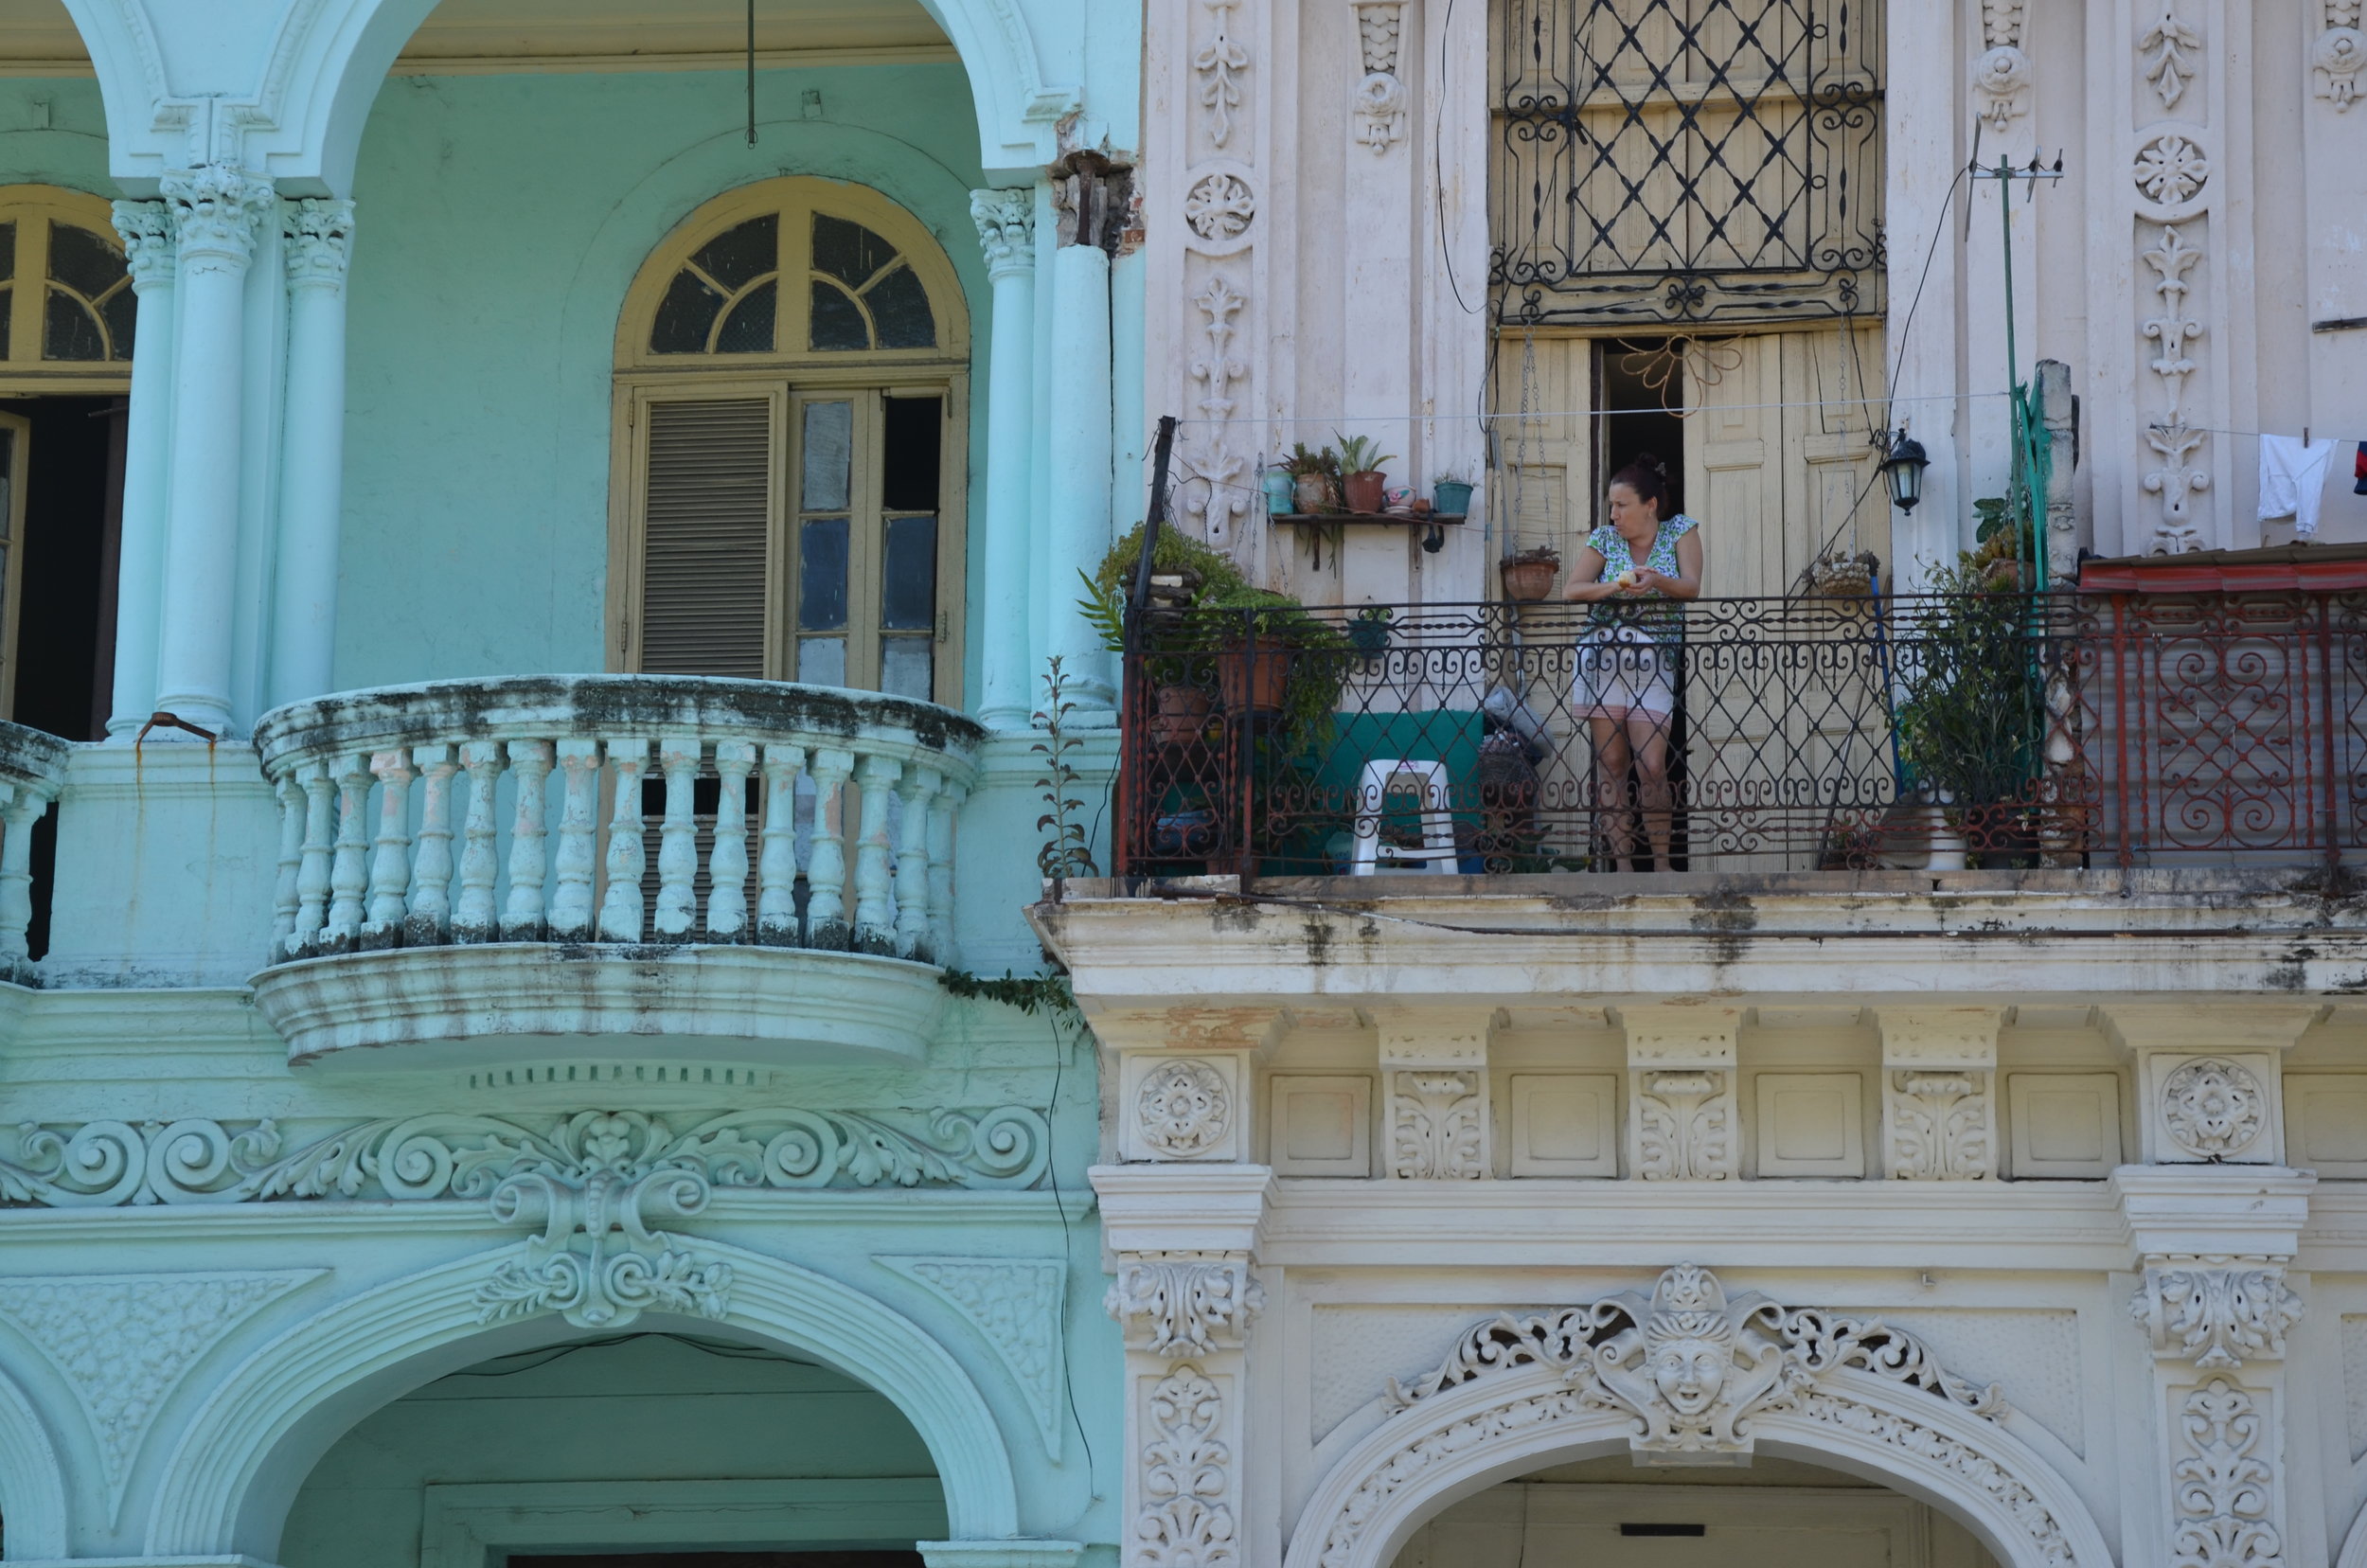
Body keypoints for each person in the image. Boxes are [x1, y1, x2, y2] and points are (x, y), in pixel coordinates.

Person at [1561, 454, 1703, 870]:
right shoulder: (1604, 539)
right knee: (1612, 765)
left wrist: (1656, 580)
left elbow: (1691, 588)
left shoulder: (1681, 530)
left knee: (1652, 765)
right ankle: (1622, 868)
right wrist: (1615, 586)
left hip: (1654, 659)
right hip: (1602, 657)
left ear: (1651, 505)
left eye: (1621, 505)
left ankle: (1661, 864)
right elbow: (1572, 590)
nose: (1614, 514)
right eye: (1611, 505)